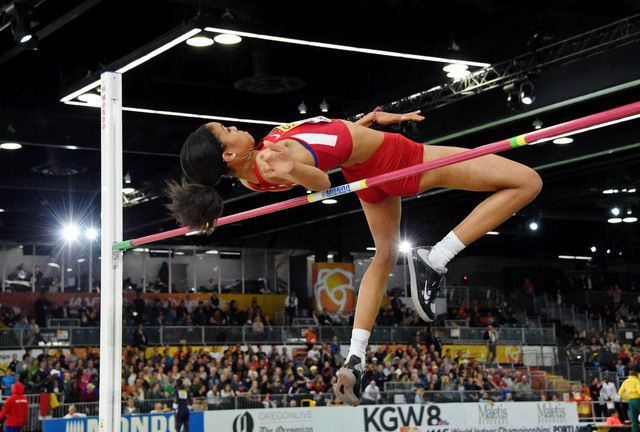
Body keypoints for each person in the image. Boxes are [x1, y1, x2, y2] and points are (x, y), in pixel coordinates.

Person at [167, 108, 542, 406]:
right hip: (396, 159)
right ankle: (436, 257)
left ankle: (355, 357)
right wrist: (299, 168)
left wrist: (360, 127)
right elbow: (321, 181)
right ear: (229, 153)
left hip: (365, 169)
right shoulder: (272, 160)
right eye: (226, 130)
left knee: (384, 257)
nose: (234, 125)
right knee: (527, 181)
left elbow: (322, 141)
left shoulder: (252, 175)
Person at [619, 368, 640, 432]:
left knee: (633, 418)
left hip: (630, 401)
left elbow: (620, 393)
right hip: (637, 399)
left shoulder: (625, 381)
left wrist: (627, 399)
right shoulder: (636, 381)